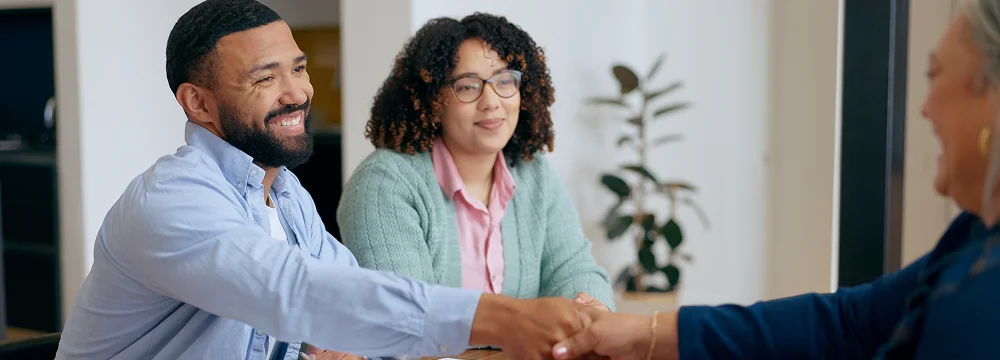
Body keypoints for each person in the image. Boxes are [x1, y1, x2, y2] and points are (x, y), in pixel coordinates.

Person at [53, 1, 594, 359]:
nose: (297, 93)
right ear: (198, 103)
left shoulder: (288, 197)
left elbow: (354, 301)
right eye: (265, 78)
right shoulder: (171, 201)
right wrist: (500, 319)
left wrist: (348, 342)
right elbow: (298, 291)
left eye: (298, 68)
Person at [549, 1, 1000, 359]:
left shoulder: (982, 297)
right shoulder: (972, 237)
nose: (924, 108)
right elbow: (849, 321)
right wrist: (640, 332)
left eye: (936, 74)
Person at [336, 13, 615, 315]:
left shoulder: (534, 173)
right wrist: (530, 325)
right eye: (468, 86)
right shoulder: (383, 184)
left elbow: (574, 268)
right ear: (433, 100)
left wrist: (589, 309)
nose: (491, 101)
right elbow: (408, 317)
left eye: (505, 81)